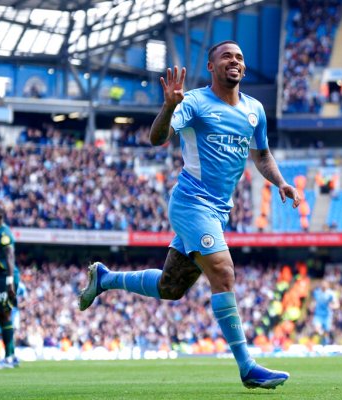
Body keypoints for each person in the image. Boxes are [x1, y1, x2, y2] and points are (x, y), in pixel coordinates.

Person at [79, 40, 301, 389]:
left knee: (171, 287)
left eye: (240, 57)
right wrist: (168, 106)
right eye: (227, 56)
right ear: (211, 66)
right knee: (224, 274)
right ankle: (248, 368)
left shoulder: (254, 109)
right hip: (191, 203)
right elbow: (158, 138)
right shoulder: (195, 102)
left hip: (217, 210)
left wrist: (281, 183)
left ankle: (105, 279)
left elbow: (262, 155)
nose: (235, 61)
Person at [0, 206, 21, 369]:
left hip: (5, 277)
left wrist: (9, 281)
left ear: (0, 216)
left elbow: (10, 255)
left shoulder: (4, 233)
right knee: (0, 316)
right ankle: (11, 355)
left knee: (5, 315)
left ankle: (9, 357)